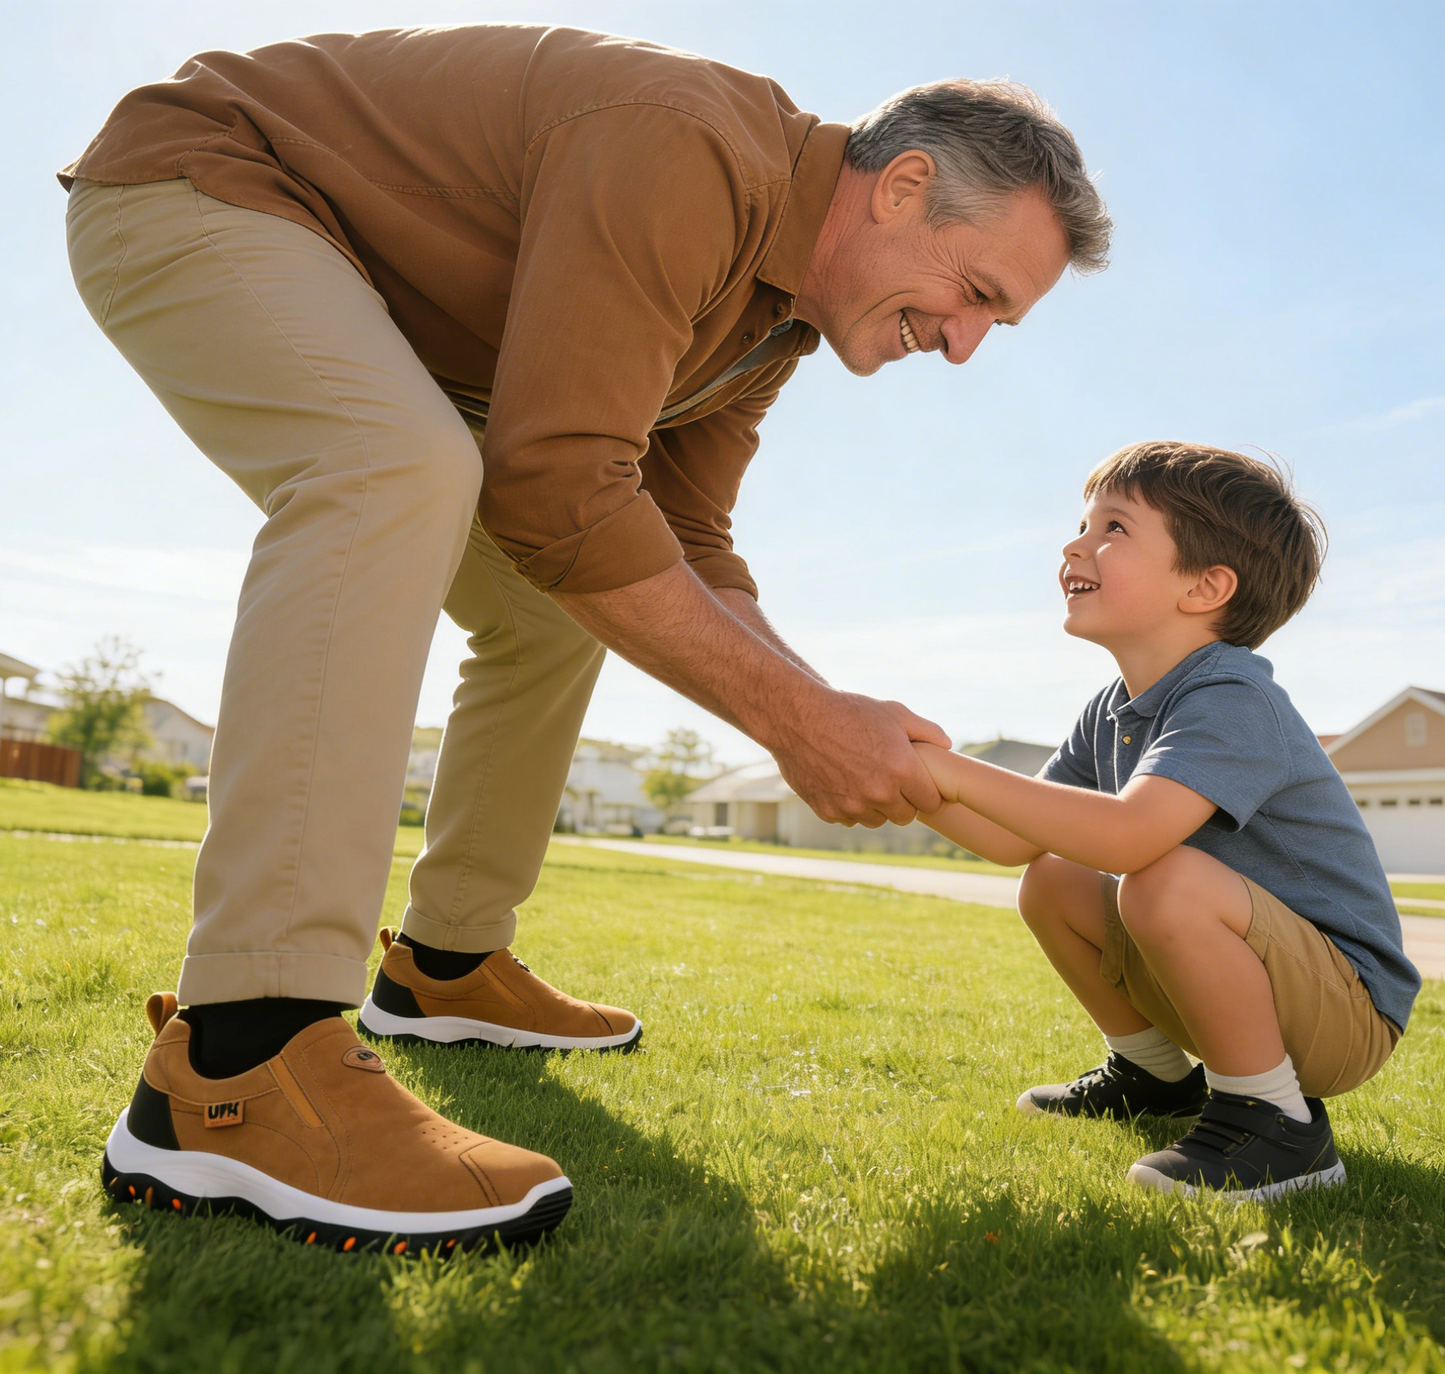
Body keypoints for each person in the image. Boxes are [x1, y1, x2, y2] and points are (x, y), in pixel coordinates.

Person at [62, 25, 1111, 1252]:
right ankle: (239, 1063)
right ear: (903, 186)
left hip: (373, 296)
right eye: (975, 293)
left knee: (551, 598)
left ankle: (444, 967)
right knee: (394, 465)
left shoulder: (775, 326)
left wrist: (857, 735)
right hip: (205, 178)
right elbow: (557, 482)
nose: (968, 342)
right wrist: (799, 723)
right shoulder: (693, 151)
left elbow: (683, 542)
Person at [912, 441, 1419, 1200]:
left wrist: (950, 769)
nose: (1074, 544)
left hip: (1343, 1010)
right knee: (1053, 877)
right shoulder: (1113, 707)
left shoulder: (1232, 698)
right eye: (1082, 524)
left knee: (1162, 876)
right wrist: (902, 775)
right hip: (1252, 981)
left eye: (1112, 528)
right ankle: (1153, 1075)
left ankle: (1277, 1123)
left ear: (1206, 586)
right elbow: (1015, 840)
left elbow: (1128, 835)